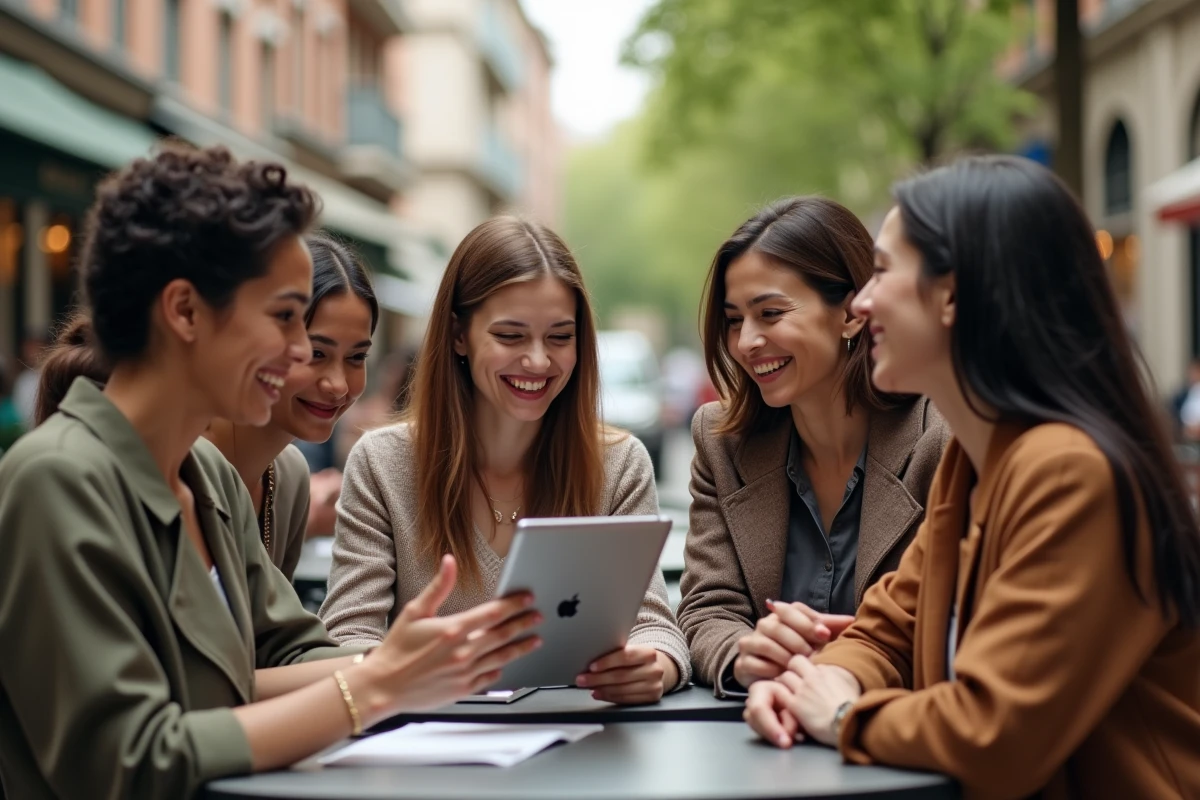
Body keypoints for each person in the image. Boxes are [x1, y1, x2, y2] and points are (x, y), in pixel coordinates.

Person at [0, 145, 540, 800]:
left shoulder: (205, 476)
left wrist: (429, 655)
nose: (298, 353)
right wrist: (373, 686)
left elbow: (286, 651)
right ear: (185, 311)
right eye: (284, 317)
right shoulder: (55, 481)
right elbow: (125, 761)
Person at [744, 156, 1200, 799]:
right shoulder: (974, 461)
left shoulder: (1070, 473)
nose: (863, 301)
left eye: (881, 271)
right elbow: (885, 629)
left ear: (952, 293)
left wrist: (845, 716)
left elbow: (996, 731)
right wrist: (821, 684)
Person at [320, 216, 691, 705]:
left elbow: (653, 624)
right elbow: (345, 639)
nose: (538, 362)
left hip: (584, 746)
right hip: (432, 748)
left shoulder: (619, 463)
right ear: (458, 335)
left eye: (560, 337)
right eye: (511, 336)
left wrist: (655, 666)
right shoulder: (383, 462)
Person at [679, 196, 949, 698]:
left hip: (889, 733)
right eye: (735, 319)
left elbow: (948, 630)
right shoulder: (722, 442)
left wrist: (846, 670)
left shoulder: (941, 441)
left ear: (851, 313)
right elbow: (706, 610)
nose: (746, 342)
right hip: (761, 739)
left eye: (771, 313)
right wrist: (745, 653)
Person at [33, 233, 380, 581]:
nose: (337, 385)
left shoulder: (288, 477)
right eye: (315, 353)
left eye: (356, 357)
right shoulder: (163, 457)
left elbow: (273, 633)